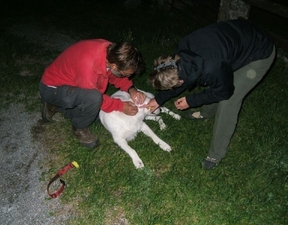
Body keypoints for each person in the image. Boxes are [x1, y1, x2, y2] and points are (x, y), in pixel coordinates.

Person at [143, 19, 275, 169]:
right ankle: (206, 113)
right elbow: (183, 78)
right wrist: (159, 99)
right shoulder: (177, 59)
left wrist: (191, 100)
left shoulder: (210, 67)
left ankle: (216, 154)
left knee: (228, 101)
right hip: (238, 41)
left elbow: (224, 92)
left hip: (258, 52)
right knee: (218, 80)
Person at [39, 39, 146, 148]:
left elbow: (113, 74)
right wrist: (120, 106)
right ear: (114, 66)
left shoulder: (112, 53)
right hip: (52, 88)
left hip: (72, 83)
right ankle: (79, 127)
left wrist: (131, 89)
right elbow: (95, 95)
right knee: (93, 99)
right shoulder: (87, 65)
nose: (127, 77)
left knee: (96, 112)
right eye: (125, 74)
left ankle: (58, 106)